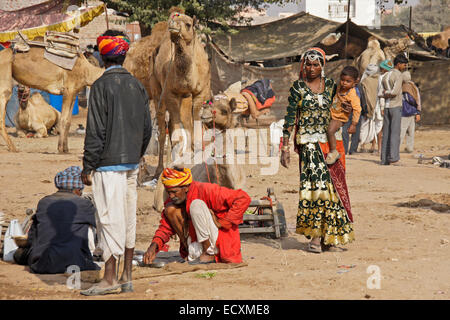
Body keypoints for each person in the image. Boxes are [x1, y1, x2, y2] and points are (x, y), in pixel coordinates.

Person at [80, 30, 152, 296]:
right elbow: (147, 129)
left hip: (107, 165)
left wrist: (88, 166)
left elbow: (95, 132)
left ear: (101, 56)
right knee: (128, 218)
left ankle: (109, 279)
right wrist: (136, 153)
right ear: (123, 55)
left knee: (109, 221)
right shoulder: (137, 85)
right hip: (132, 163)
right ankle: (127, 276)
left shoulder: (99, 86)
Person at [280, 47, 355, 253]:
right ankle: (315, 237)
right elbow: (289, 117)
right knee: (317, 189)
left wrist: (347, 110)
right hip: (309, 144)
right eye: (308, 64)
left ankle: (328, 238)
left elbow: (340, 107)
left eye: (315, 65)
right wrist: (284, 147)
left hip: (329, 145)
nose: (311, 68)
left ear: (322, 66)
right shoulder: (298, 88)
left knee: (332, 190)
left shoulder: (331, 86)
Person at [143, 167, 251, 265]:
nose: (171, 196)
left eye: (174, 192)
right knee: (170, 209)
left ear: (185, 187)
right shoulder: (173, 201)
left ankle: (209, 253)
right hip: (195, 245)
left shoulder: (206, 190)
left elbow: (243, 198)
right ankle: (195, 253)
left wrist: (223, 222)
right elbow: (165, 228)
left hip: (217, 242)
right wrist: (154, 246)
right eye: (169, 192)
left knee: (196, 205)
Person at [13, 166, 99, 274]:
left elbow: (32, 236)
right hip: (76, 263)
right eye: (81, 190)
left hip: (42, 265)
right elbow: (97, 228)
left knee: (19, 254)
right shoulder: (84, 204)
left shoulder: (44, 202)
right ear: (77, 189)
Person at [326, 66, 362, 164]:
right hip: (332, 113)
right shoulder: (339, 87)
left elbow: (357, 109)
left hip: (339, 118)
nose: (344, 83)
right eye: (342, 80)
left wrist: (354, 124)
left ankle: (333, 151)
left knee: (330, 130)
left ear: (354, 83)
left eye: (348, 81)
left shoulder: (352, 94)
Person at [380, 53, 408, 165]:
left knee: (386, 133)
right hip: (395, 106)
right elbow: (395, 92)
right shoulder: (398, 75)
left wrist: (385, 94)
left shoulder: (385, 75)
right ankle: (394, 158)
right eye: (404, 64)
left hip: (386, 107)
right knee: (395, 133)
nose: (405, 67)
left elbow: (381, 93)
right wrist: (388, 93)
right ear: (399, 64)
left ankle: (384, 159)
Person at [358, 64, 382, 154]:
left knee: (364, 126)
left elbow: (363, 96)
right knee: (378, 127)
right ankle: (376, 147)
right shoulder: (380, 79)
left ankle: (363, 145)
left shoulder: (365, 81)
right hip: (378, 107)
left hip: (367, 107)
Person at [399, 71, 421, 153]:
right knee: (410, 131)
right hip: (412, 111)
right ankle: (409, 148)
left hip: (405, 112)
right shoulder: (413, 85)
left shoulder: (405, 86)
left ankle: (397, 148)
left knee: (402, 131)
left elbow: (409, 99)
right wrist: (417, 110)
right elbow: (416, 99)